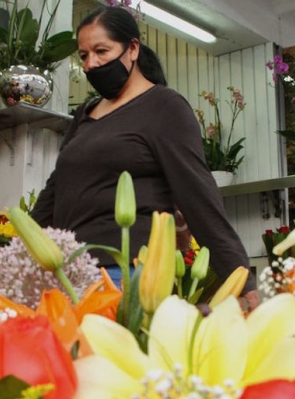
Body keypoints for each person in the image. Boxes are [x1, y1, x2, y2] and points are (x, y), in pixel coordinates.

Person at [30, 6, 259, 311]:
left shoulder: (164, 107)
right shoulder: (85, 114)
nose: (91, 64)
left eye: (101, 51)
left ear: (132, 48)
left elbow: (198, 195)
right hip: (70, 275)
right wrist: (19, 254)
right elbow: (54, 191)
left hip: (126, 274)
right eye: (83, 55)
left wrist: (240, 277)